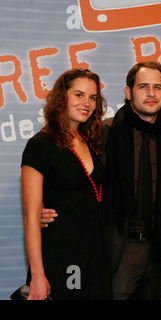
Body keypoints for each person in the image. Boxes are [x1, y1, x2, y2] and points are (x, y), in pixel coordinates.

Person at [40, 61, 161, 300]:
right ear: (128, 92)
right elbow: (66, 171)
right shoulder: (102, 134)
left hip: (157, 247)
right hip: (116, 246)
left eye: (158, 87)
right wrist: (42, 207)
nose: (151, 93)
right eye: (143, 86)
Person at [21, 68, 112, 300]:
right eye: (79, 95)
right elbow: (32, 217)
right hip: (62, 252)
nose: (87, 103)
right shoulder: (40, 145)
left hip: (94, 250)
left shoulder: (90, 140)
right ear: (62, 98)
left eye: (92, 97)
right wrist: (38, 276)